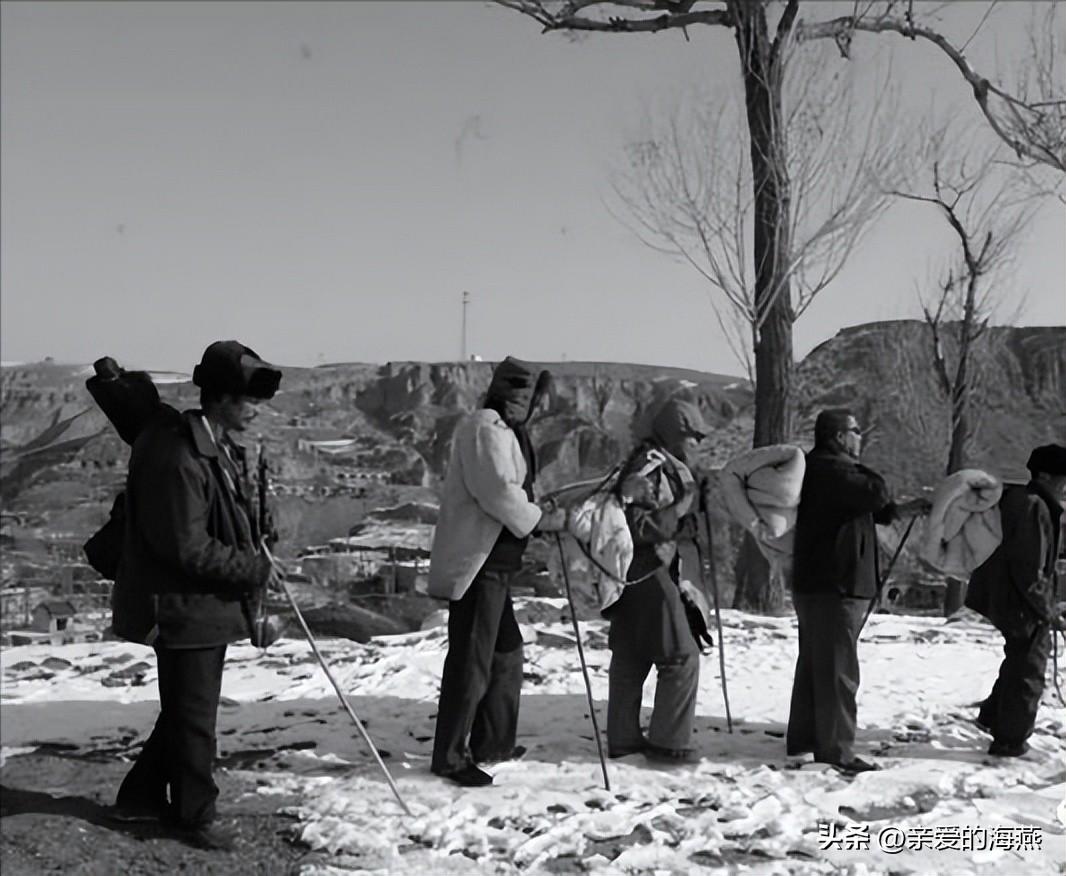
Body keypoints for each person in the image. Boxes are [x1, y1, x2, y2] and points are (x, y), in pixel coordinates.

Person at [110, 341, 282, 851]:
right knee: (194, 719)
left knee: (187, 709)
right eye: (247, 400)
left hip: (200, 604)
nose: (255, 410)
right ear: (221, 398)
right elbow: (185, 547)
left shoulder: (210, 442)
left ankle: (141, 793)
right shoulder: (179, 455)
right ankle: (194, 814)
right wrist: (254, 569)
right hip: (183, 606)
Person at [428, 356, 567, 787]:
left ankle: (494, 742)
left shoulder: (506, 431)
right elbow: (499, 493)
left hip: (497, 565)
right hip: (478, 563)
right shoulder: (484, 428)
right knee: (472, 662)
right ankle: (450, 756)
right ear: (509, 396)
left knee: (505, 654)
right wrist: (541, 519)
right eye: (527, 398)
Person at [787, 409, 929, 773]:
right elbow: (875, 492)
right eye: (855, 431)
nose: (860, 437)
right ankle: (836, 750)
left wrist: (905, 510)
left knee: (814, 663)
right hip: (837, 585)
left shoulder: (816, 471)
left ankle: (803, 738)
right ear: (838, 437)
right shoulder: (834, 470)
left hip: (815, 584)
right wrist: (864, 469)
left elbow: (873, 509)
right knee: (838, 670)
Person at [605, 396, 712, 763]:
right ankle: (670, 744)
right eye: (692, 436)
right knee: (682, 656)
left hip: (630, 571)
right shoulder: (651, 468)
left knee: (632, 653)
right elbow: (640, 525)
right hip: (647, 567)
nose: (697, 444)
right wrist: (683, 510)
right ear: (674, 433)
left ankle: (623, 739)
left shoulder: (655, 464)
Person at [965, 444, 1066, 757]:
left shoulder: (1025, 501)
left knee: (1019, 659)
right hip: (1019, 600)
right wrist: (1047, 609)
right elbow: (1028, 567)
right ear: (1046, 475)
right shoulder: (1033, 506)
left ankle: (993, 716)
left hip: (1007, 595)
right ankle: (1011, 740)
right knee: (1029, 667)